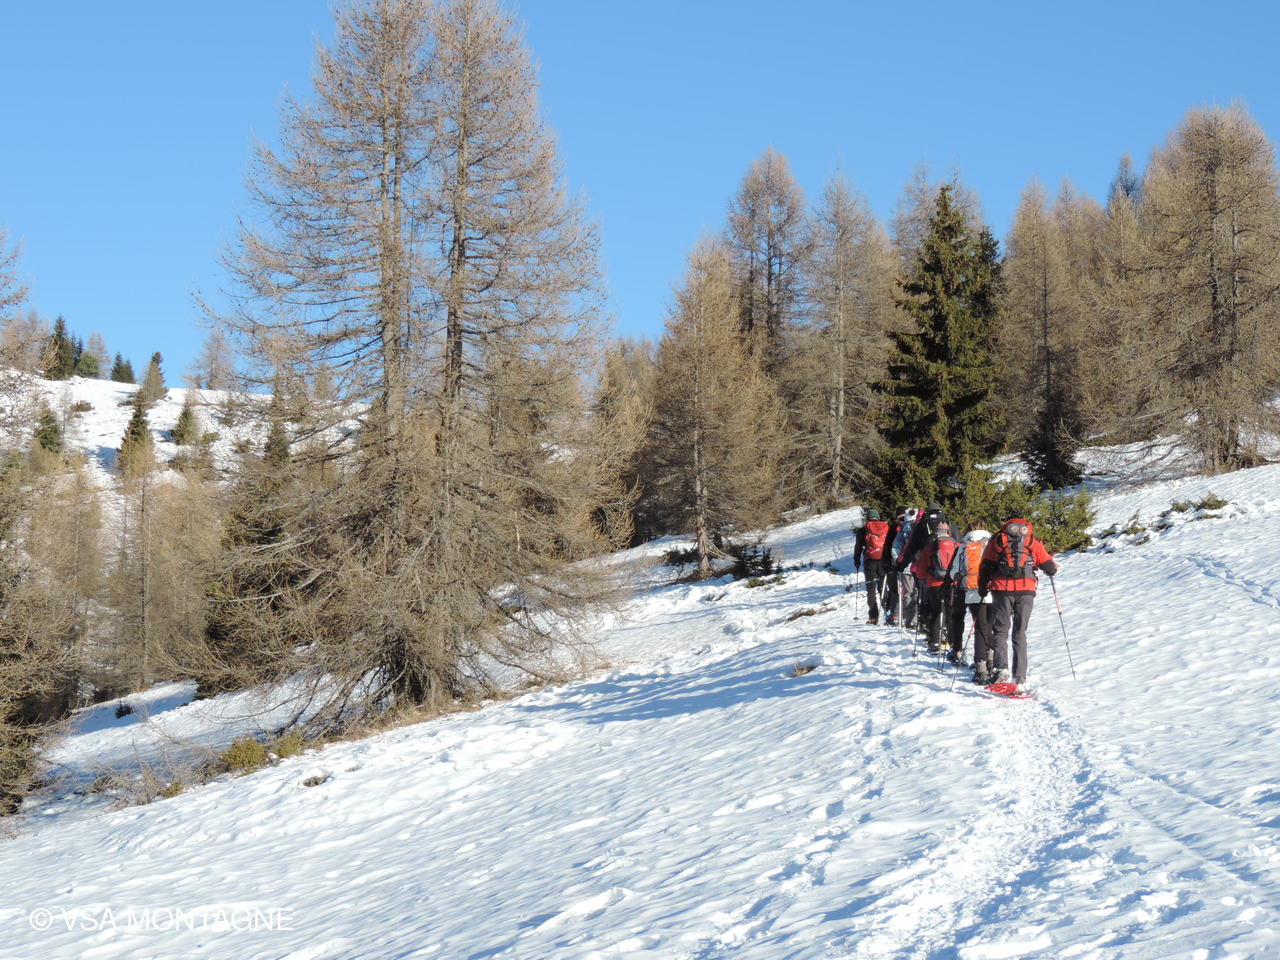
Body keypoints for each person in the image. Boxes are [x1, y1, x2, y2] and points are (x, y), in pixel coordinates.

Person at [979, 517, 1058, 690]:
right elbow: (1050, 567)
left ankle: (1001, 668)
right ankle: (1020, 678)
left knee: (1001, 630)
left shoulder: (998, 539)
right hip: (1026, 590)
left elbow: (985, 565)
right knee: (1020, 633)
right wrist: (1048, 569)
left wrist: (982, 586)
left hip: (1002, 590)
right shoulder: (1032, 540)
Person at [946, 527, 994, 680]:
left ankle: (981, 668)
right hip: (991, 590)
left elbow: (954, 572)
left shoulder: (964, 546)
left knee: (979, 627)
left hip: (972, 590)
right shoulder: (992, 543)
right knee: (989, 625)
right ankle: (991, 659)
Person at [910, 519, 959, 654]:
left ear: (936, 532)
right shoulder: (956, 545)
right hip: (952, 583)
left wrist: (924, 576)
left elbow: (920, 570)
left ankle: (934, 642)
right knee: (950, 613)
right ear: (948, 531)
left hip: (934, 583)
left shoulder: (930, 546)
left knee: (935, 611)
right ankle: (954, 644)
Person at [853, 508, 892, 625]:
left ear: (868, 518)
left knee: (871, 588)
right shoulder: (886, 527)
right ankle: (888, 615)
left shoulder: (864, 529)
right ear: (878, 517)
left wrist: (856, 560)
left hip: (870, 561)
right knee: (883, 588)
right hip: (883, 561)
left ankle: (873, 617)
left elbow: (858, 546)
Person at [886, 507, 920, 628]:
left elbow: (895, 548)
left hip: (906, 567)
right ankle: (917, 618)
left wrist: (898, 562)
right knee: (917, 593)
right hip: (920, 566)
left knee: (907, 594)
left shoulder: (902, 530)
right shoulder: (921, 528)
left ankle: (910, 619)